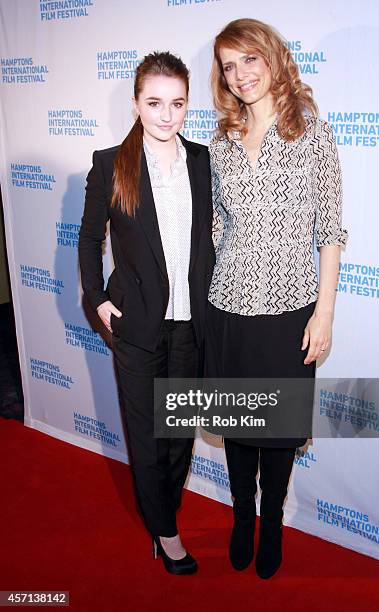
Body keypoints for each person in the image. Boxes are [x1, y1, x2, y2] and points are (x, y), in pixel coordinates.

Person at [206, 19, 348, 579]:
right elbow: (216, 223)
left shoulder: (313, 132)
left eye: (248, 60)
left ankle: (271, 522)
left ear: (271, 57)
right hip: (229, 309)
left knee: (279, 431)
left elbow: (330, 229)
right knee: (240, 429)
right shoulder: (219, 142)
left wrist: (326, 311)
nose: (239, 75)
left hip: (291, 309)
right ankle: (242, 518)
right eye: (227, 66)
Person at [78, 51, 215, 575]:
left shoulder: (203, 161)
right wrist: (98, 299)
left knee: (180, 433)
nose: (166, 114)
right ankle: (166, 533)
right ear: (137, 103)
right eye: (155, 102)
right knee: (148, 434)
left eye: (177, 103)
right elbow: (90, 239)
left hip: (190, 326)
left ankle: (164, 514)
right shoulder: (111, 163)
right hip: (136, 327)